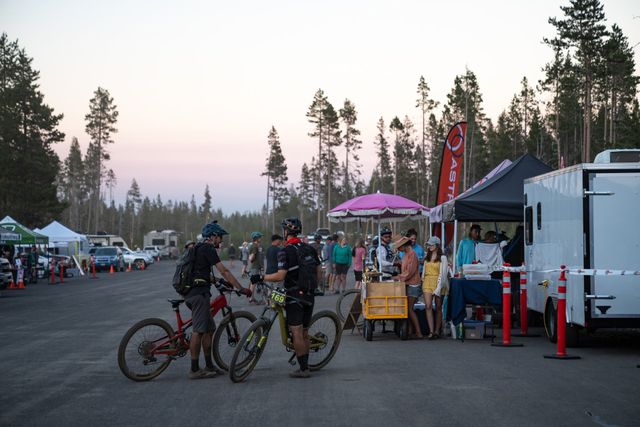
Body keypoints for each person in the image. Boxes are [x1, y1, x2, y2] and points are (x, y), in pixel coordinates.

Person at [186, 222, 252, 379]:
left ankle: (209, 366)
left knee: (209, 329)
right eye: (220, 237)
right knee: (199, 330)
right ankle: (194, 369)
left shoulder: (198, 248)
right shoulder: (208, 248)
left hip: (196, 291)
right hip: (198, 294)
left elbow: (201, 273)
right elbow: (225, 270)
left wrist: (218, 281)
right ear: (212, 236)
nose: (221, 241)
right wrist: (241, 288)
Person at [262, 218, 321, 378]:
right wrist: (315, 286)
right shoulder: (309, 248)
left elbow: (280, 276)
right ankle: (305, 363)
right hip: (309, 294)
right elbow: (318, 269)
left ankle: (303, 370)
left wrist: (263, 277)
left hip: (294, 295)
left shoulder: (285, 250)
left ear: (285, 232)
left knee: (296, 332)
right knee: (305, 332)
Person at [393, 235, 423, 339]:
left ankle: (418, 332)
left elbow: (410, 271)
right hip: (407, 283)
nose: (398, 249)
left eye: (399, 247)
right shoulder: (405, 255)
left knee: (409, 309)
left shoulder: (412, 254)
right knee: (407, 309)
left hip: (413, 284)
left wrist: (398, 277)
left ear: (404, 246)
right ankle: (410, 330)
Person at [422, 236, 450, 339]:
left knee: (438, 307)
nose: (429, 246)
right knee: (428, 306)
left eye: (431, 245)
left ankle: (437, 331)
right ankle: (431, 330)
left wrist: (438, 287)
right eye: (428, 245)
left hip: (439, 282)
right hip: (428, 282)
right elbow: (424, 270)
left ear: (437, 245)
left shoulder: (443, 257)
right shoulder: (427, 256)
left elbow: (443, 274)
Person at [248, 232, 264, 303]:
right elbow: (251, 257)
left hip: (256, 266)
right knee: (253, 282)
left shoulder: (254, 245)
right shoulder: (254, 246)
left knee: (253, 282)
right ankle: (251, 297)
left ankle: (252, 296)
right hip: (255, 266)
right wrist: (252, 258)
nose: (261, 239)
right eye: (260, 237)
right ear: (256, 238)